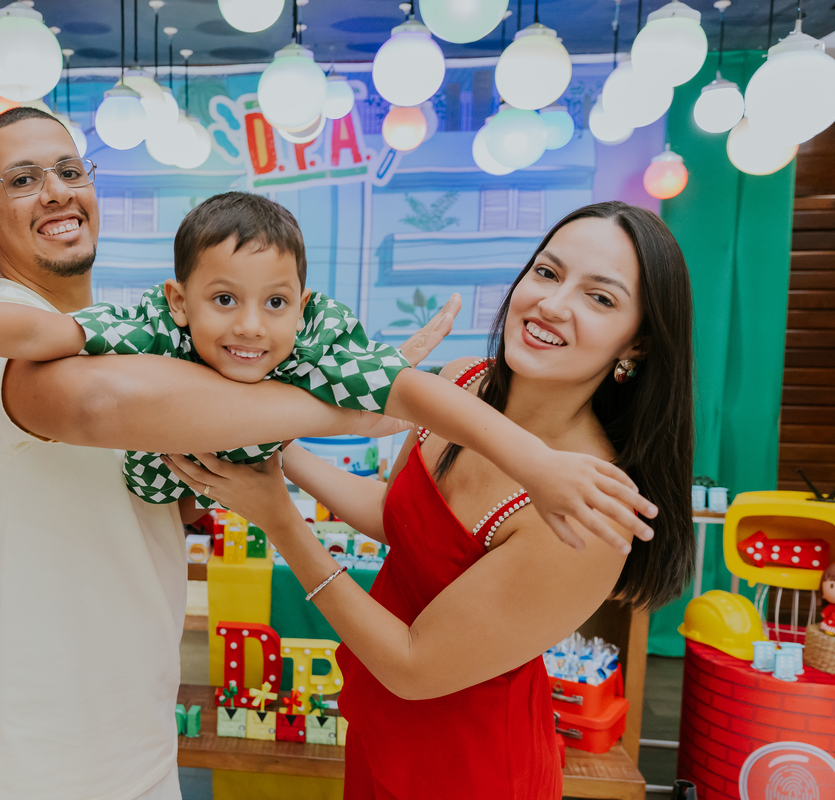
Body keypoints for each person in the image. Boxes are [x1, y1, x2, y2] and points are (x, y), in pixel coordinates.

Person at [0, 107, 435, 800]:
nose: (57, 191)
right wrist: (355, 409)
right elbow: (98, 404)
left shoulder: (100, 334)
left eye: (70, 170)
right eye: (23, 179)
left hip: (132, 732)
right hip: (31, 750)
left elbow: (155, 471)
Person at [0, 191, 656, 551]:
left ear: (303, 300)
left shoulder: (315, 333)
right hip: (145, 496)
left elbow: (409, 397)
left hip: (206, 496)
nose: (251, 329)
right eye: (224, 302)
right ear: (179, 300)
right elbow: (29, 328)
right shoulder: (148, 318)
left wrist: (538, 465)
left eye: (275, 304)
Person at [162, 201, 697, 799]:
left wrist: (283, 523)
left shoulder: (589, 511)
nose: (553, 304)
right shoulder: (462, 381)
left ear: (639, 343)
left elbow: (414, 666)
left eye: (600, 298)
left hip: (469, 767)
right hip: (379, 732)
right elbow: (401, 516)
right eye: (547, 273)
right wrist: (277, 454)